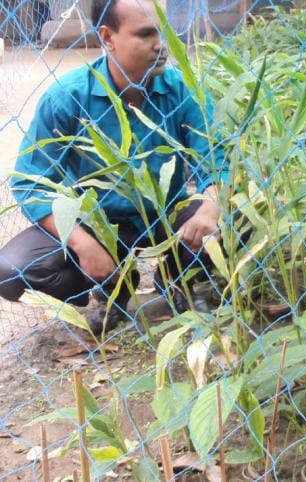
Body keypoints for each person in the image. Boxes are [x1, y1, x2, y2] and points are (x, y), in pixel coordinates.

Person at [0, 0, 227, 333]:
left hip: (167, 213)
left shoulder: (183, 90)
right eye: (145, 34)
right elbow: (31, 181)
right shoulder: (68, 97)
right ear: (108, 37)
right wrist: (82, 242)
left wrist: (211, 205)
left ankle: (176, 276)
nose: (160, 45)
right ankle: (114, 283)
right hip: (97, 220)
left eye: (161, 33)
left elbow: (215, 159)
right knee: (10, 271)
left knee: (237, 219)